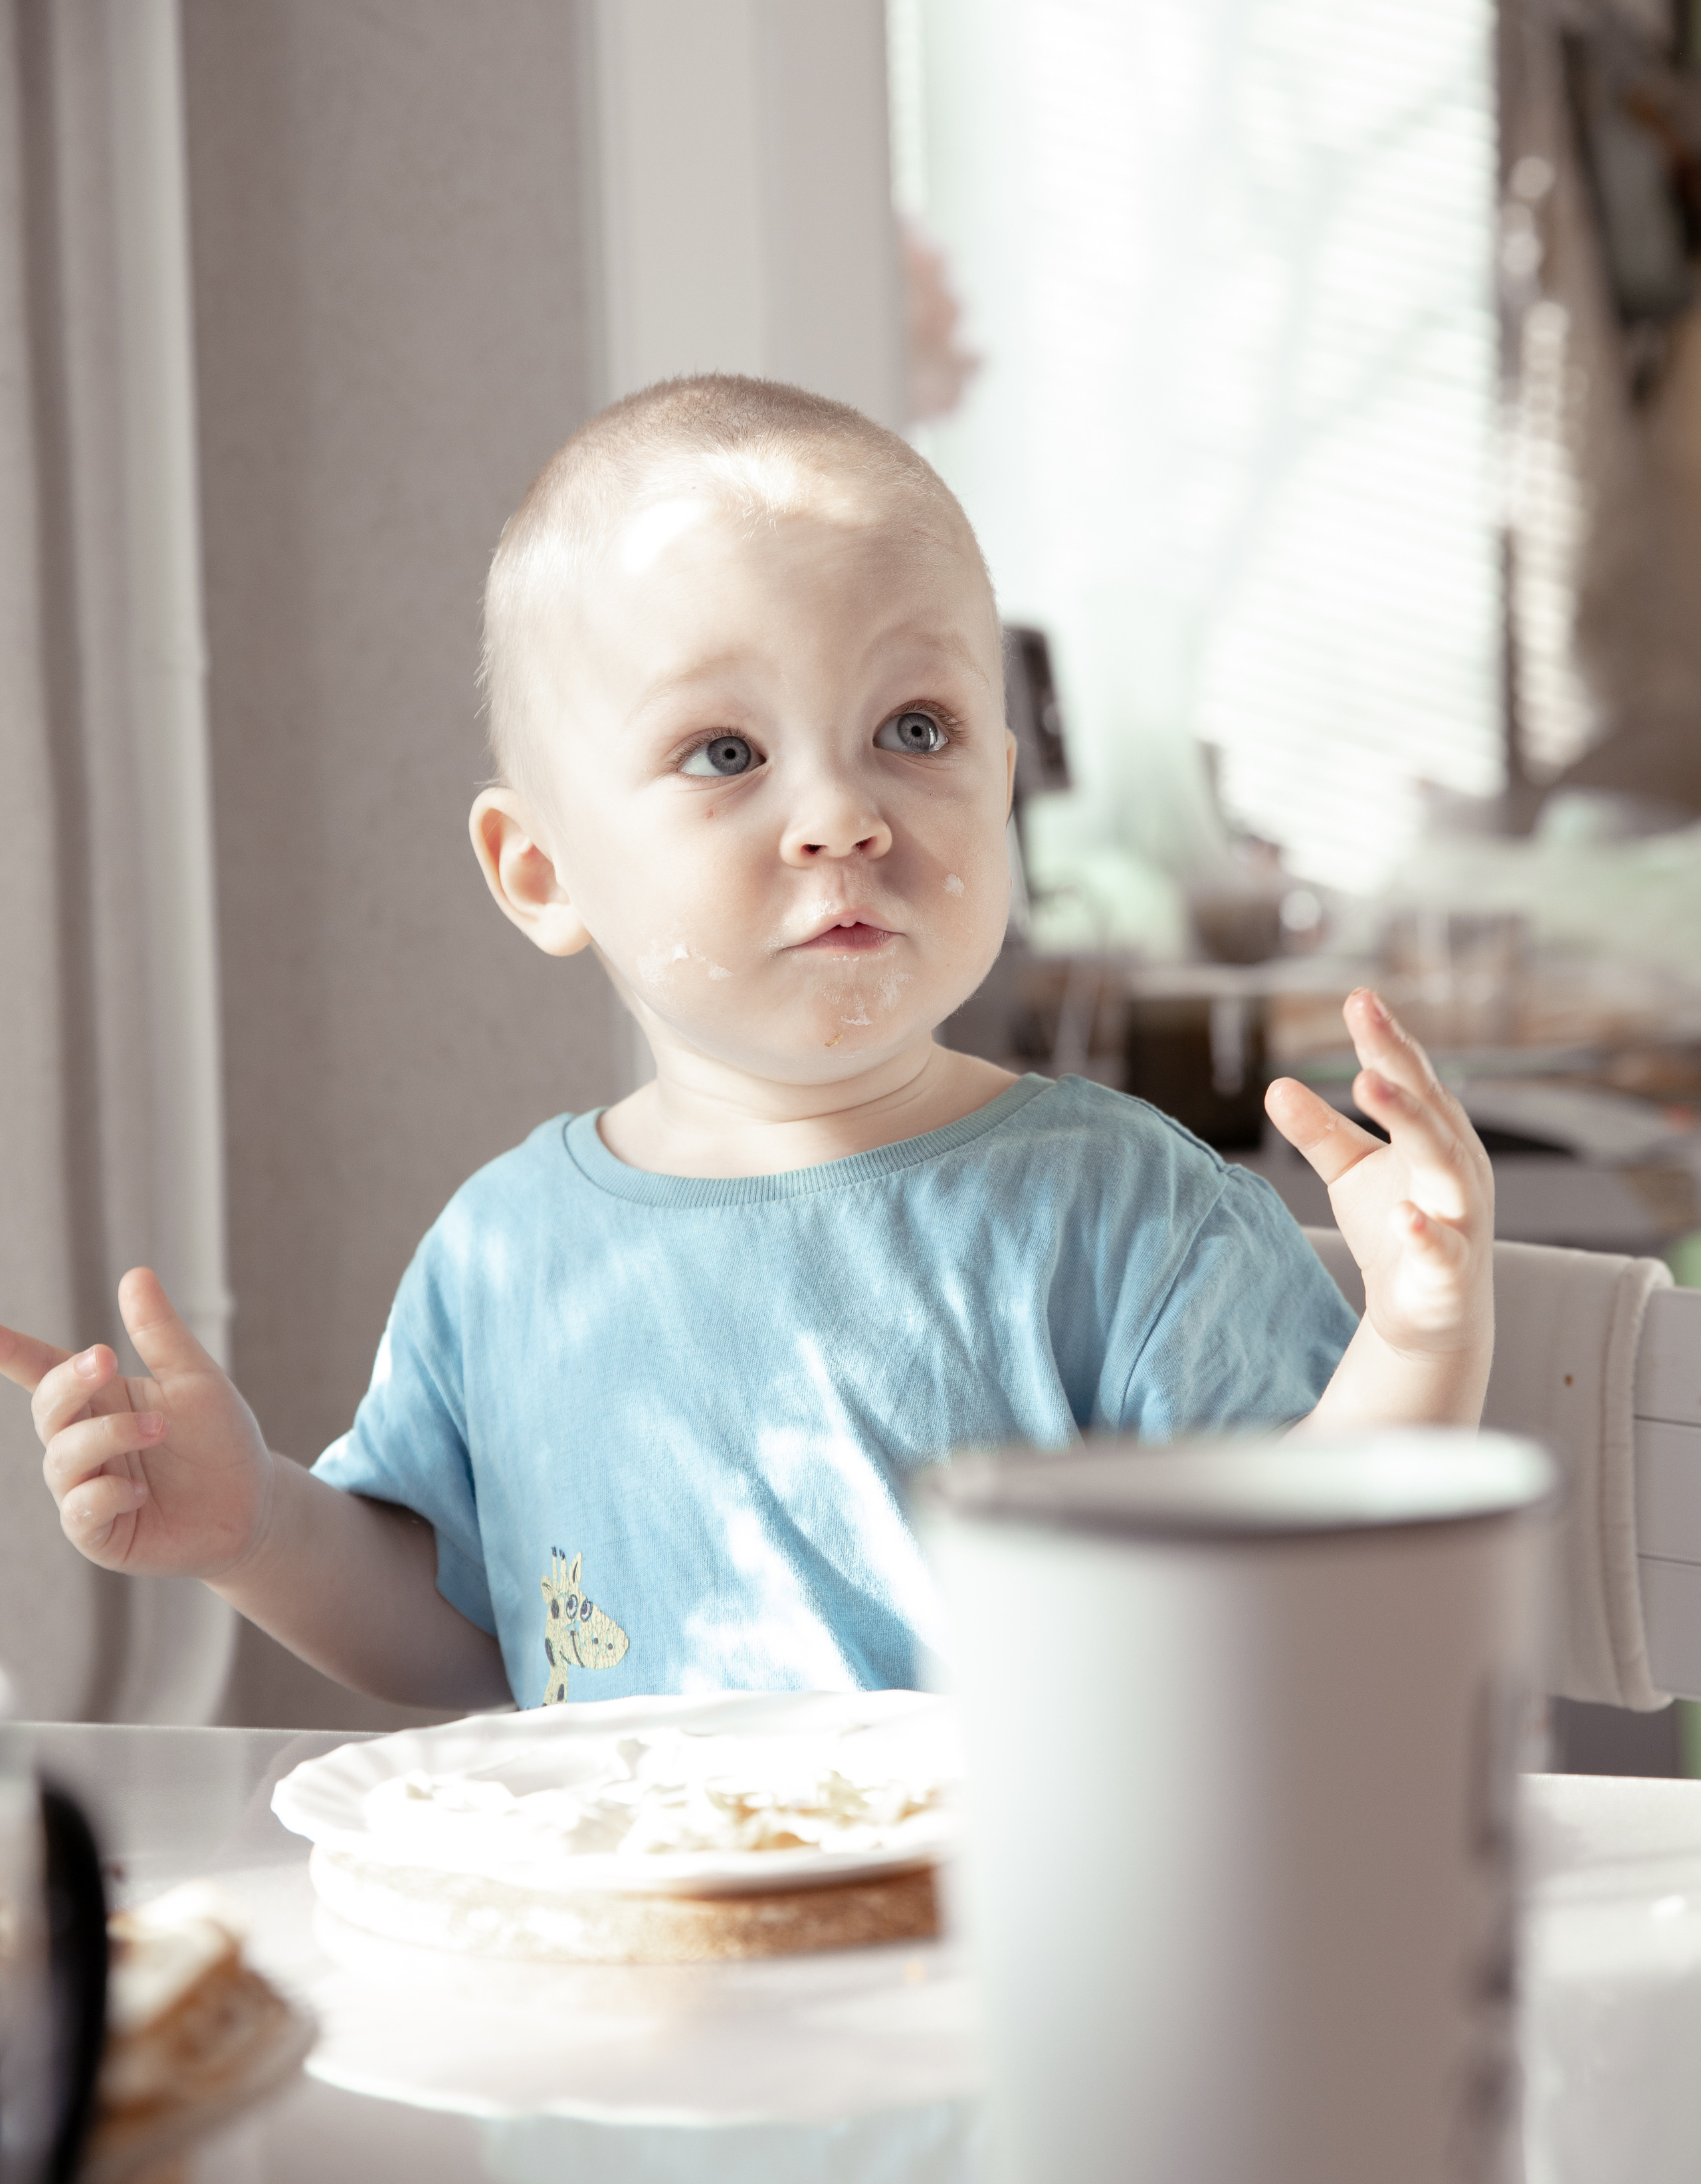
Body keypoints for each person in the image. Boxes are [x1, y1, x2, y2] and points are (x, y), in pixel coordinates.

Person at [0, 378, 1494, 1713]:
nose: (842, 812)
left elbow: (1316, 1594)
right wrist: (255, 1528)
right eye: (725, 752)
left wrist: (1418, 1333)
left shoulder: (1128, 1217)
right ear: (541, 872)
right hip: (648, 1988)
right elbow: (464, 1642)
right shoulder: (507, 1258)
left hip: (1020, 1978)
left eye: (914, 728)